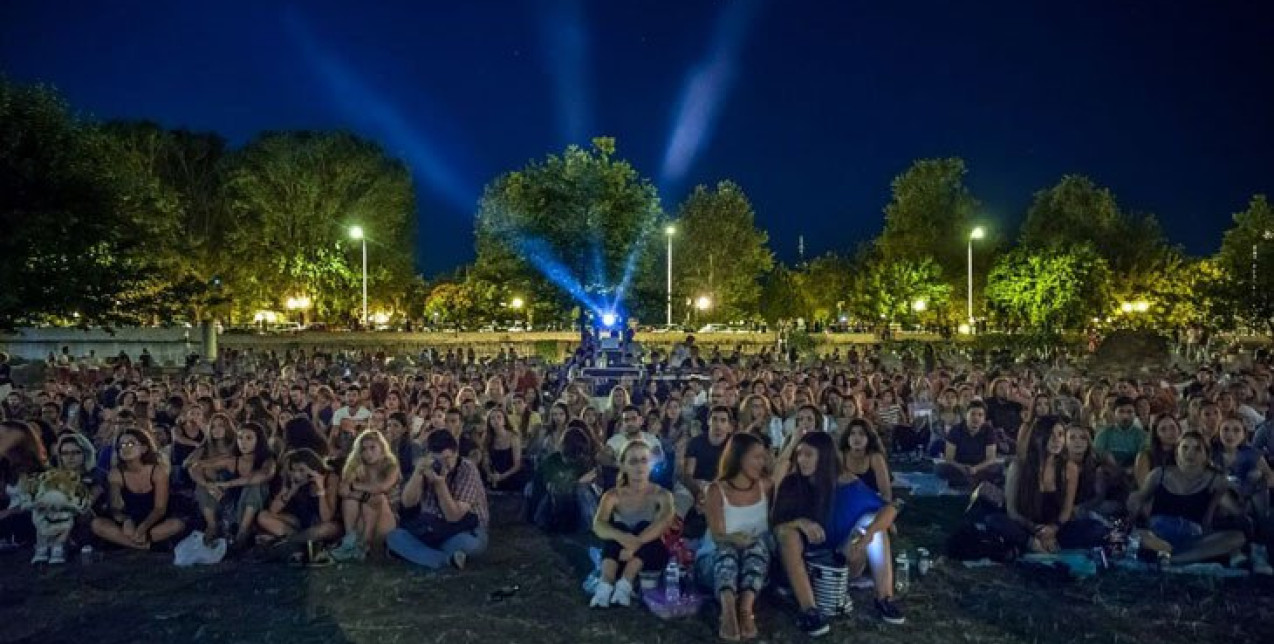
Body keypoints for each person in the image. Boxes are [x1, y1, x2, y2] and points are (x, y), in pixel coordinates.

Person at [772, 431, 903, 632]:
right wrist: (800, 522)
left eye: (808, 455)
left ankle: (884, 598)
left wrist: (868, 534)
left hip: (841, 560)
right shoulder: (792, 484)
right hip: (802, 564)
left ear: (824, 457)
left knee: (873, 525)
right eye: (799, 455)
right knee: (787, 534)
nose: (801, 460)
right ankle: (809, 610)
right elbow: (776, 526)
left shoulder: (846, 483)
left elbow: (890, 508)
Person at [1127, 431, 1246, 566]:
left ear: (1206, 455)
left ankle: (1172, 559)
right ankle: (1174, 555)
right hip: (1157, 535)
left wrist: (1235, 494)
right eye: (1185, 447)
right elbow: (1139, 500)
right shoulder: (1159, 474)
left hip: (1192, 537)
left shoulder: (1215, 480)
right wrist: (1135, 502)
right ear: (1177, 453)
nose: (1190, 453)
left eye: (1197, 449)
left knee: (1237, 537)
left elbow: (1225, 514)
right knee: (1139, 535)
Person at [701, 433, 773, 641]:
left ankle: (745, 608)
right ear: (739, 458)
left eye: (763, 457)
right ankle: (728, 609)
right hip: (716, 562)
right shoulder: (716, 490)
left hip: (753, 563)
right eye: (756, 457)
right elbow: (717, 536)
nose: (761, 462)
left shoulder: (765, 485)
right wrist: (735, 539)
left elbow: (784, 465)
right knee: (728, 549)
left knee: (757, 545)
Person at [589, 440, 675, 609]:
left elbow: (664, 521)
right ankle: (606, 585)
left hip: (648, 554)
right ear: (623, 466)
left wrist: (635, 544)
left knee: (645, 527)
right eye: (633, 461)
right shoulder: (613, 495)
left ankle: (625, 584)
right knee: (617, 530)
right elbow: (598, 524)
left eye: (644, 460)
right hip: (620, 554)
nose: (639, 467)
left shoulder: (662, 494)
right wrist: (623, 537)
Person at [388, 429, 490, 569]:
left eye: (447, 458)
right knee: (395, 537)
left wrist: (440, 484)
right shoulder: (427, 467)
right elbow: (407, 503)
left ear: (456, 453)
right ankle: (447, 560)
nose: (443, 464)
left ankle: (418, 554)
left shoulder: (467, 469)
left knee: (464, 544)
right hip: (431, 528)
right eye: (438, 459)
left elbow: (453, 516)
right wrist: (417, 473)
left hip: (465, 530)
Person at [90, 429, 186, 549]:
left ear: (144, 448)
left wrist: (142, 528)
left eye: (130, 444)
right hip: (129, 518)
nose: (125, 448)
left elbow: (160, 509)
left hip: (154, 519)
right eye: (121, 445)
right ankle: (140, 546)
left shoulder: (157, 471)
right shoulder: (116, 473)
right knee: (97, 524)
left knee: (176, 525)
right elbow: (115, 506)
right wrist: (125, 520)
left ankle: (138, 541)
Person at [331, 430, 400, 561]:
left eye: (373, 448)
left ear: (382, 448)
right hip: (362, 516)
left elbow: (382, 487)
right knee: (351, 499)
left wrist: (355, 486)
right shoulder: (357, 466)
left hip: (386, 516)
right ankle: (350, 540)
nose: (368, 453)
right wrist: (360, 494)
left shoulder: (391, 466)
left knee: (377, 497)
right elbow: (343, 491)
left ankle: (364, 544)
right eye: (364, 449)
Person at [256, 448, 340, 548]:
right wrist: (292, 489)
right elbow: (273, 510)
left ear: (313, 468)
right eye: (294, 470)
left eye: (302, 470)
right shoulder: (294, 479)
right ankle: (299, 542)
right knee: (263, 516)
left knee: (327, 529)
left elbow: (326, 518)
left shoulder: (330, 478)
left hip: (321, 524)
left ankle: (286, 541)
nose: (297, 474)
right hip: (300, 522)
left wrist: (321, 489)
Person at [937, 401, 1002, 487]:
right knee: (940, 468)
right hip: (960, 466)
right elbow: (949, 458)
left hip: (980, 467)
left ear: (984, 418)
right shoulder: (955, 430)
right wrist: (962, 467)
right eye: (973, 414)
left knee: (997, 468)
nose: (976, 418)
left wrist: (976, 468)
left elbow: (991, 458)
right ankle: (973, 481)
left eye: (980, 415)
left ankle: (966, 481)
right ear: (966, 415)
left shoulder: (989, 431)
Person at [839, 419, 892, 501]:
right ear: (847, 437)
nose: (856, 438)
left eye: (862, 434)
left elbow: (886, 494)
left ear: (869, 438)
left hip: (872, 502)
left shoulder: (875, 457)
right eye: (852, 433)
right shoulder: (841, 456)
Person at [1094, 397, 1145, 470]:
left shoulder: (1141, 435)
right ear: (1114, 413)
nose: (1125, 416)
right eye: (1121, 411)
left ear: (1135, 414)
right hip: (1108, 471)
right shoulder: (1103, 433)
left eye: (1129, 412)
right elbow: (1097, 455)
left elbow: (1143, 460)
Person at [1134, 415, 1182, 487]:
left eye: (1173, 427)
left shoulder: (1184, 452)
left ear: (1179, 429)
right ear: (1156, 434)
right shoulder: (1145, 456)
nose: (1169, 432)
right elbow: (1144, 487)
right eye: (1163, 429)